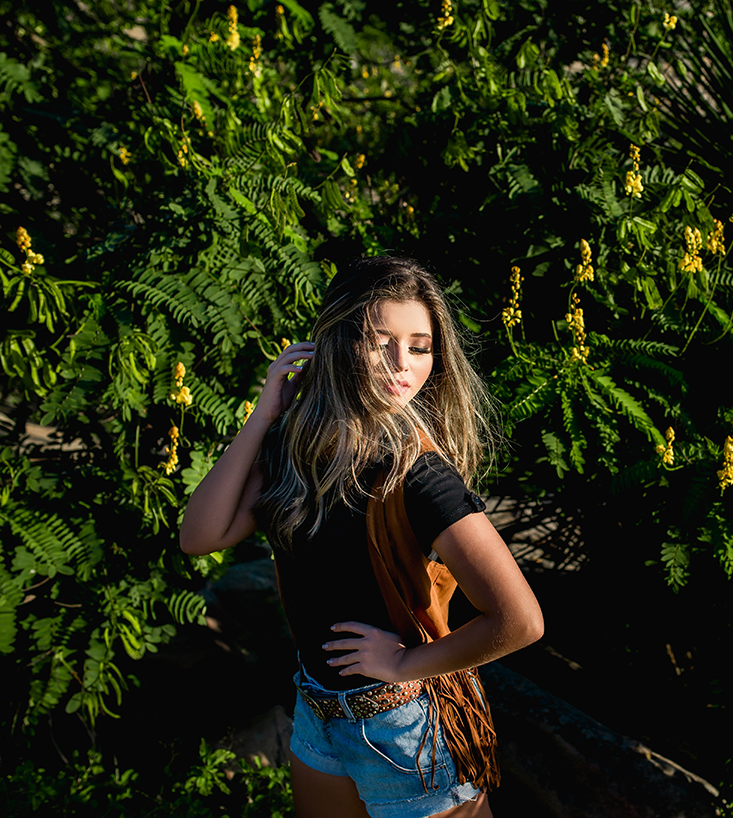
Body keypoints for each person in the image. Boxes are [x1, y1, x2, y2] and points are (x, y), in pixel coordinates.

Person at [180, 255, 543, 818]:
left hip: (407, 728)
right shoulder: (294, 453)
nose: (403, 364)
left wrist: (401, 666)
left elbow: (520, 620)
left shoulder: (417, 475)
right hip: (317, 714)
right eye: (381, 342)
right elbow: (199, 536)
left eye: (420, 346)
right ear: (338, 343)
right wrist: (263, 417)